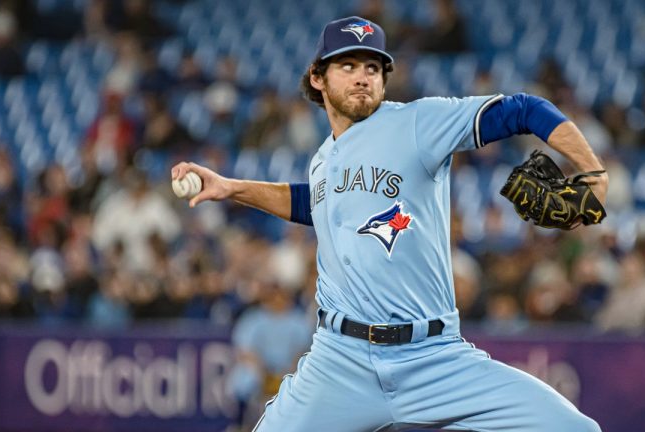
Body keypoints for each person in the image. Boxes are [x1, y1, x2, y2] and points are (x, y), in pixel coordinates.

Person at [172, 16, 607, 432]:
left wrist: (592, 169)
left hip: (435, 357)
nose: (363, 76)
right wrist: (231, 187)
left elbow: (523, 109)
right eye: (348, 65)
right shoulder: (323, 158)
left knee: (573, 428)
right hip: (340, 362)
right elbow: (314, 205)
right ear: (318, 78)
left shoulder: (416, 123)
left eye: (373, 67)